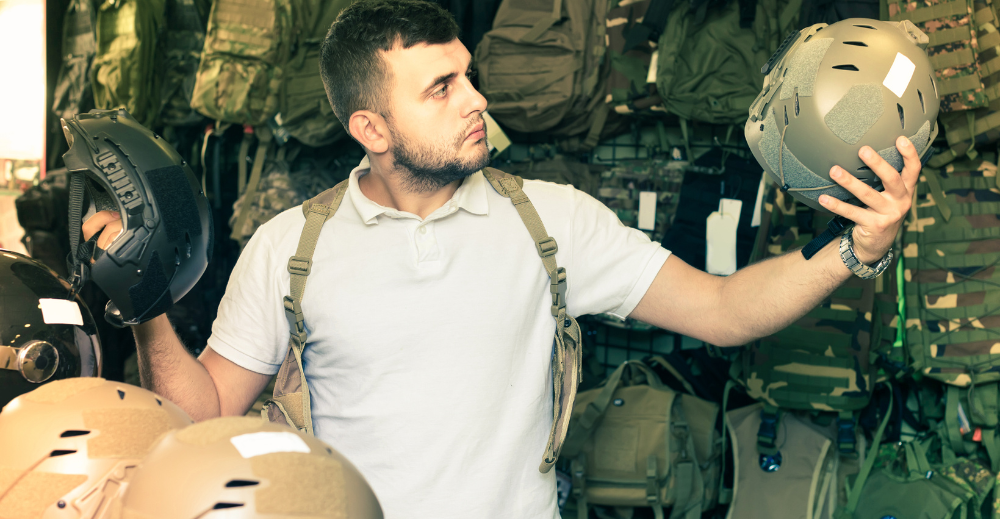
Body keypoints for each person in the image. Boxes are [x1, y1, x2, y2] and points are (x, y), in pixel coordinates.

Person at [81, 1, 920, 516]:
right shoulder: (288, 246)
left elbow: (729, 311)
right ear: (370, 130)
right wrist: (146, 295)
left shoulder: (551, 223)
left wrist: (855, 247)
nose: (478, 100)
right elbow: (200, 418)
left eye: (468, 76)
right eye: (441, 89)